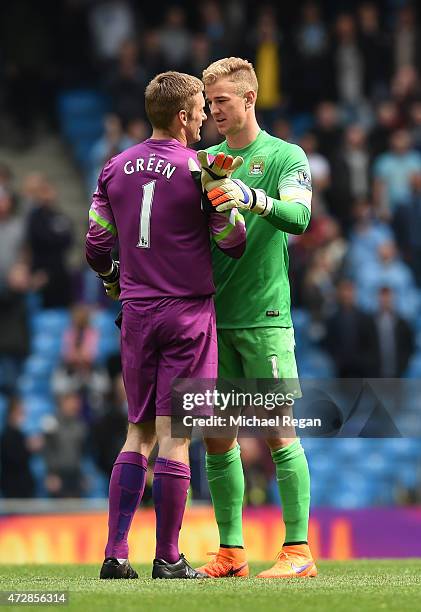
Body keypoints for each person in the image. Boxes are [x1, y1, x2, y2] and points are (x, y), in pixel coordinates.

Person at [85, 70, 246, 580]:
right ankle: (169, 559)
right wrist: (226, 200)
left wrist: (114, 279)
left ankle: (114, 556)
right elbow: (232, 243)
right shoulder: (202, 171)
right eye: (200, 109)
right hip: (188, 316)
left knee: (137, 432)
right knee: (177, 435)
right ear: (182, 116)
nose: (205, 118)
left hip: (136, 314)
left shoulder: (114, 168)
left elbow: (95, 247)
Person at [194, 57, 315, 578]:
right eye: (208, 101)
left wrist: (253, 197)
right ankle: (232, 551)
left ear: (248, 100)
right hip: (208, 321)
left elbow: (301, 216)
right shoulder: (203, 161)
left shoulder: (285, 156)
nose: (212, 110)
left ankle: (297, 552)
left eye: (221, 100)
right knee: (216, 435)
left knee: (277, 431)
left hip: (265, 317)